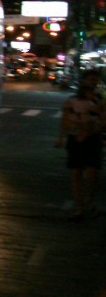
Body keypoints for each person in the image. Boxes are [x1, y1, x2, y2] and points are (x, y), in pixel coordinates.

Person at [55, 69, 105, 221]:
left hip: (93, 139)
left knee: (92, 173)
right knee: (76, 173)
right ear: (83, 81)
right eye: (91, 79)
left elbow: (103, 118)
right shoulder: (72, 100)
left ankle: (88, 204)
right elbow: (65, 119)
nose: (93, 82)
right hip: (75, 139)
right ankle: (79, 207)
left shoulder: (99, 99)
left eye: (95, 80)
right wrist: (62, 137)